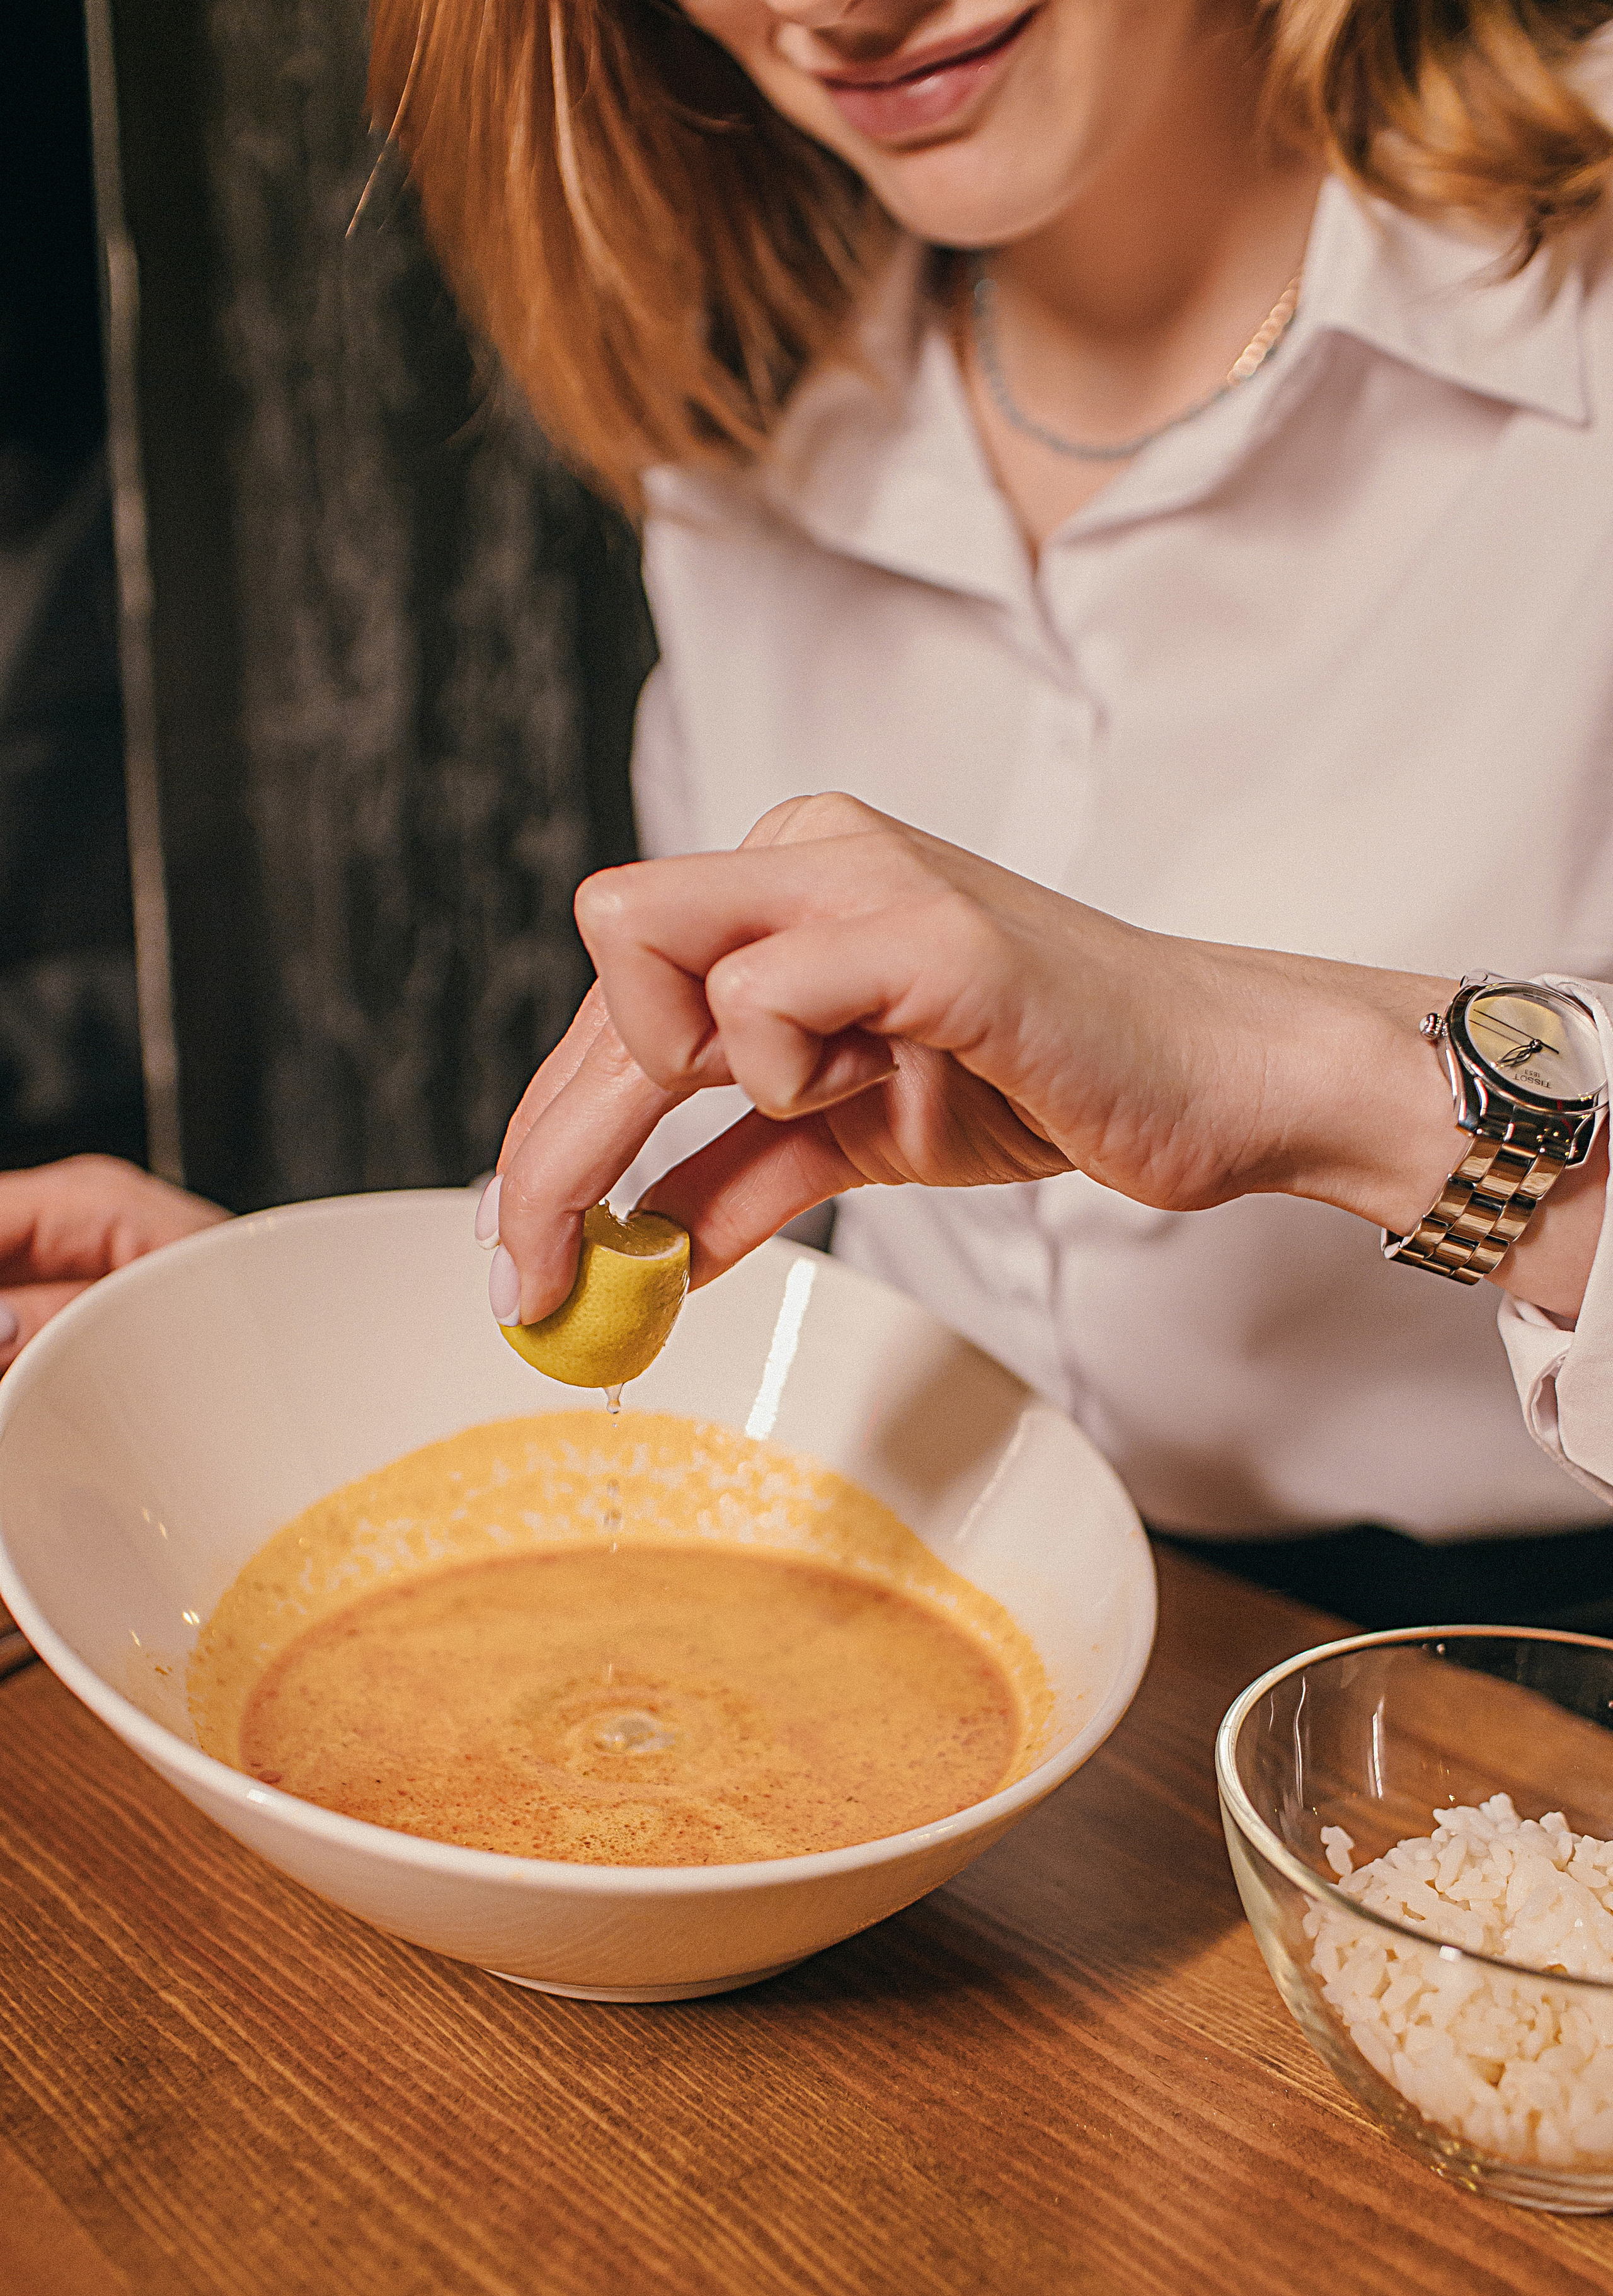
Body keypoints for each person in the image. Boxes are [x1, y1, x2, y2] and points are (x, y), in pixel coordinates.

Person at [11, 0, 1613, 1626]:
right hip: (972, 1649)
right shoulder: (743, 413)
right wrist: (244, 1361)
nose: (838, 6)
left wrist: (1305, 1075)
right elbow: (711, 1243)